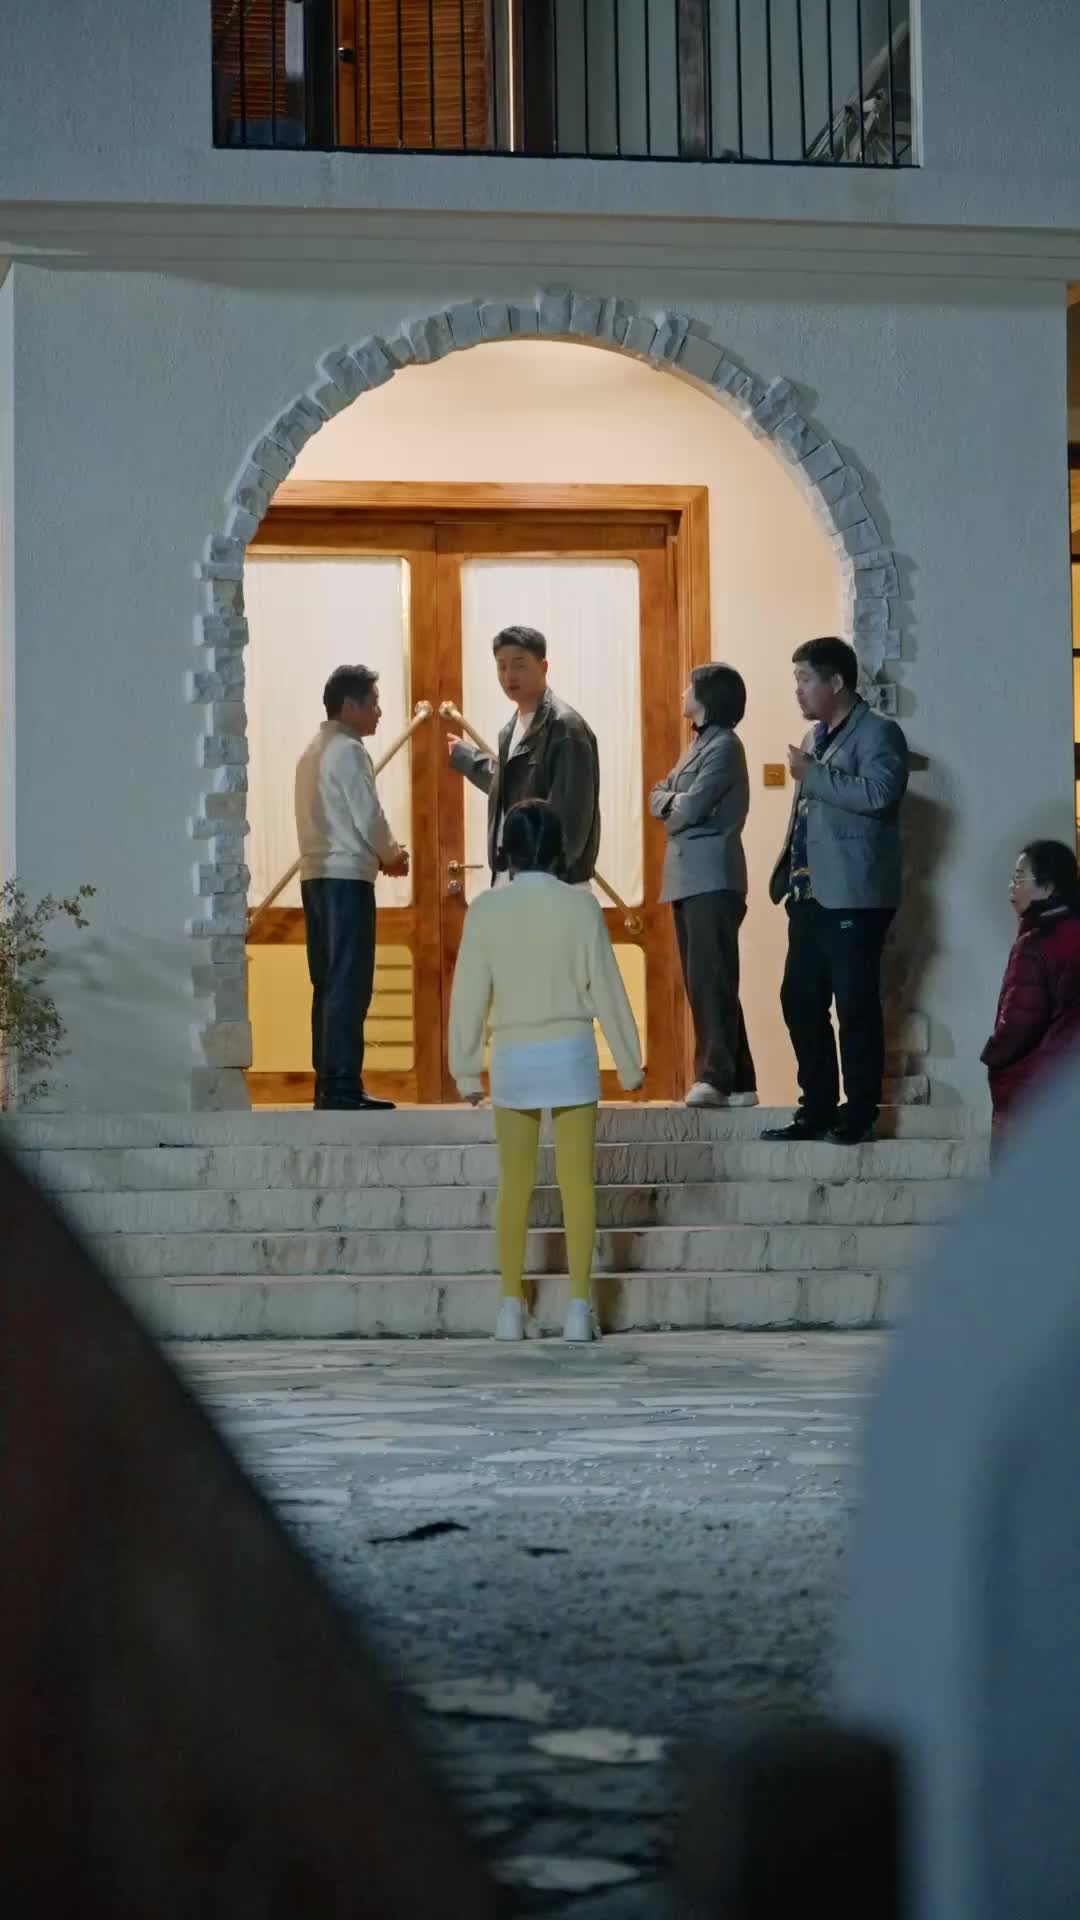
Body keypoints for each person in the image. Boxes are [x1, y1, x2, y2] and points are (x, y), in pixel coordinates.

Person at [448, 799, 643, 1344]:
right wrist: (630, 1062)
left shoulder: (486, 910)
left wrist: (466, 1070)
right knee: (577, 1181)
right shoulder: (581, 907)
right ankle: (579, 1308)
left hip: (515, 1055)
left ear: (506, 850)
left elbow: (468, 995)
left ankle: (510, 1308)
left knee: (515, 1183)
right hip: (570, 1051)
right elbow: (608, 987)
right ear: (559, 849)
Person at [764, 636, 909, 1147]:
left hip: (855, 894)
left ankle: (860, 1112)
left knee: (854, 1005)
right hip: (808, 894)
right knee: (799, 1000)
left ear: (837, 682)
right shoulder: (814, 736)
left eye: (805, 679)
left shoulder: (879, 733)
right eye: (797, 680)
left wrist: (815, 775)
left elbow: (880, 794)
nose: (798, 690)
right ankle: (817, 1108)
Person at [293, 664, 409, 1112]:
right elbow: (368, 815)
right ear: (350, 705)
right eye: (374, 703)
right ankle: (342, 1085)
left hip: (316, 877)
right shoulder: (349, 750)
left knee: (327, 983)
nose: (379, 712)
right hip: (345, 879)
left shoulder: (313, 750)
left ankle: (330, 1083)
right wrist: (392, 855)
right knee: (349, 984)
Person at [649, 662, 757, 1110]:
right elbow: (659, 794)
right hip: (689, 877)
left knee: (711, 980)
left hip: (712, 876)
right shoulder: (699, 744)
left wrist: (672, 803)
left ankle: (714, 1077)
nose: (682, 692)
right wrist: (672, 802)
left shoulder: (725, 746)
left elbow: (687, 810)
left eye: (690, 686)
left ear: (709, 696)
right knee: (709, 980)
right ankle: (741, 1081)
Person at [446, 625, 600, 889]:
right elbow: (514, 784)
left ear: (543, 666)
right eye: (501, 666)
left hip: (551, 883)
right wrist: (467, 758)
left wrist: (549, 877)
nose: (509, 676)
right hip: (514, 876)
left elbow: (572, 816)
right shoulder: (511, 728)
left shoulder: (565, 727)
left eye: (520, 665)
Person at [980, 838, 1080, 1156]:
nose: (1012, 887)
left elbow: (1020, 1024)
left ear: (1048, 887)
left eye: (1019, 878)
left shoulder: (1035, 945)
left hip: (1035, 1094)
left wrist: (993, 1055)